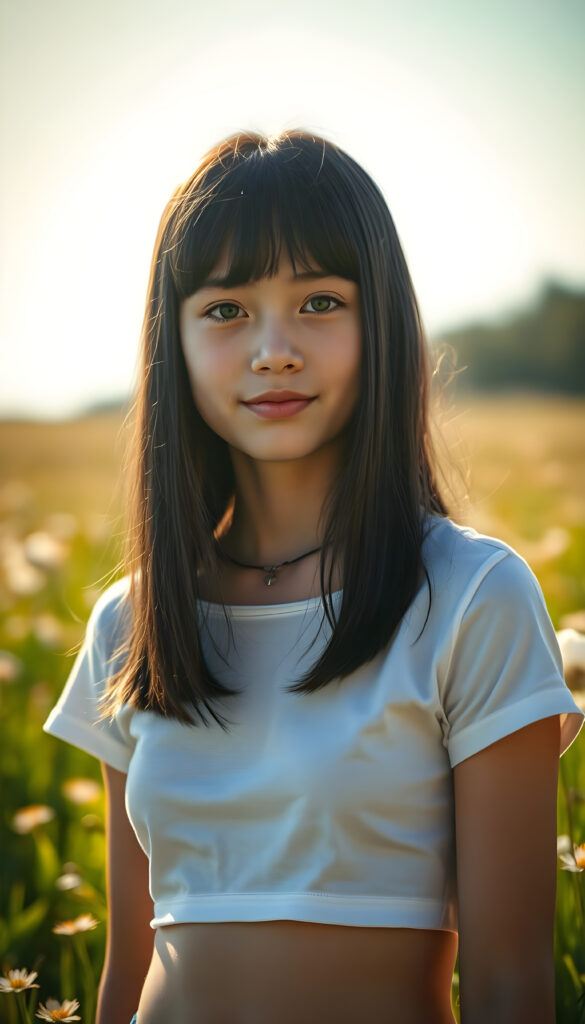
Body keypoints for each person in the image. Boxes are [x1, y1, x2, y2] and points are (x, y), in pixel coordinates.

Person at [43, 129, 584, 1024]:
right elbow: (126, 963)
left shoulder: (470, 595)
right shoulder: (131, 620)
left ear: (386, 324)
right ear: (168, 340)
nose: (273, 350)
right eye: (224, 310)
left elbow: (511, 983)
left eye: (320, 301)